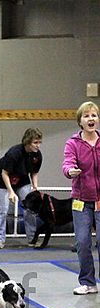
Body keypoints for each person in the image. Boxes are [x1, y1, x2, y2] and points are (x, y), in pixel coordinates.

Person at [62, 101, 100, 295]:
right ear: (80, 121)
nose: (91, 119)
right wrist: (70, 171)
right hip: (81, 201)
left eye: (94, 115)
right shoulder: (73, 143)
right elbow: (67, 163)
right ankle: (88, 282)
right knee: (83, 242)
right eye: (86, 116)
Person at [0, 128, 43, 248]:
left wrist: (35, 187)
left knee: (30, 208)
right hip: (3, 180)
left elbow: (34, 173)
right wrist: (10, 192)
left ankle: (32, 239)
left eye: (40, 142)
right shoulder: (14, 153)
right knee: (2, 210)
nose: (38, 145)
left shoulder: (37, 155)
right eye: (35, 143)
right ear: (27, 141)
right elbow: (5, 173)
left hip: (22, 180)